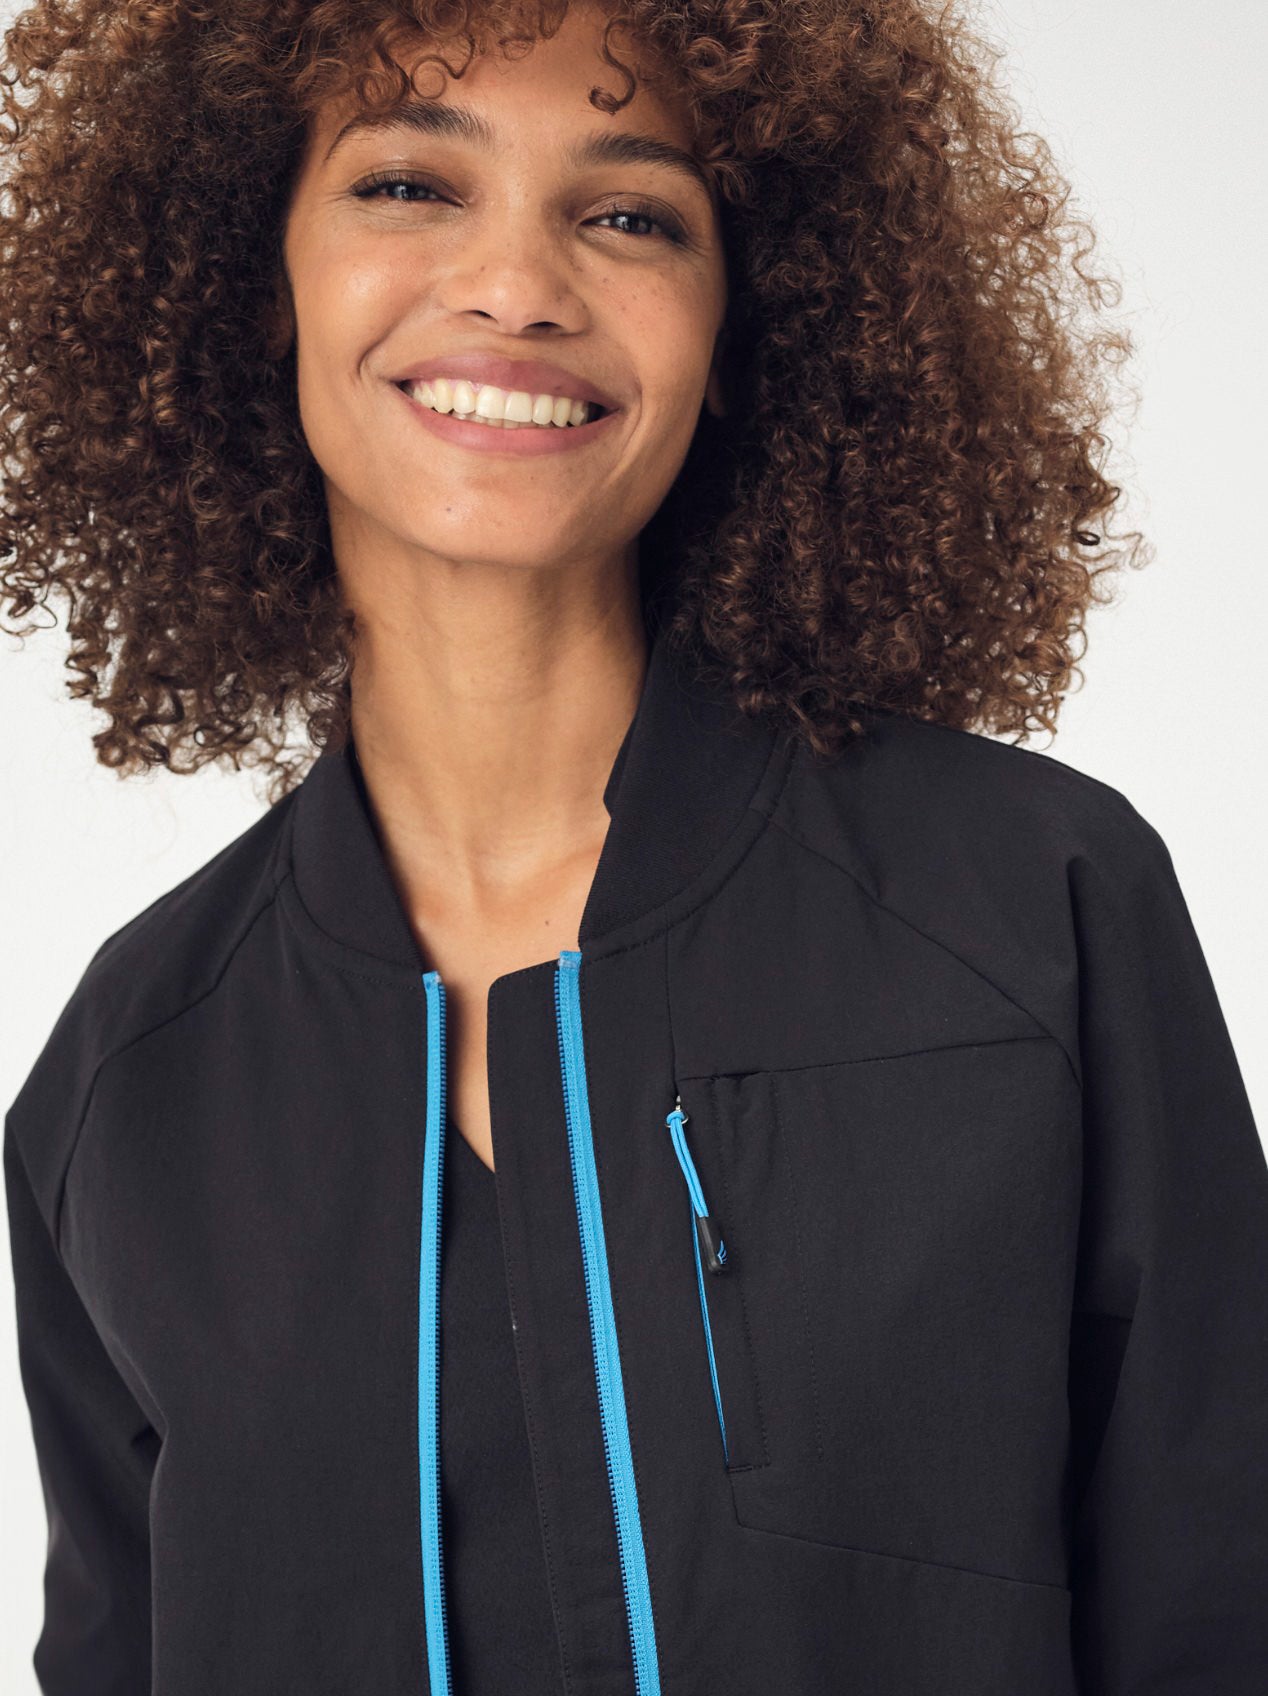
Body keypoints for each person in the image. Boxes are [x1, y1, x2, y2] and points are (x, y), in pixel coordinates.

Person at [2, 0, 1265, 1692]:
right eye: (405, 186)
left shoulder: (1034, 915)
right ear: (255, 280)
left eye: (628, 214)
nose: (520, 285)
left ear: (742, 323)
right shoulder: (128, 1079)